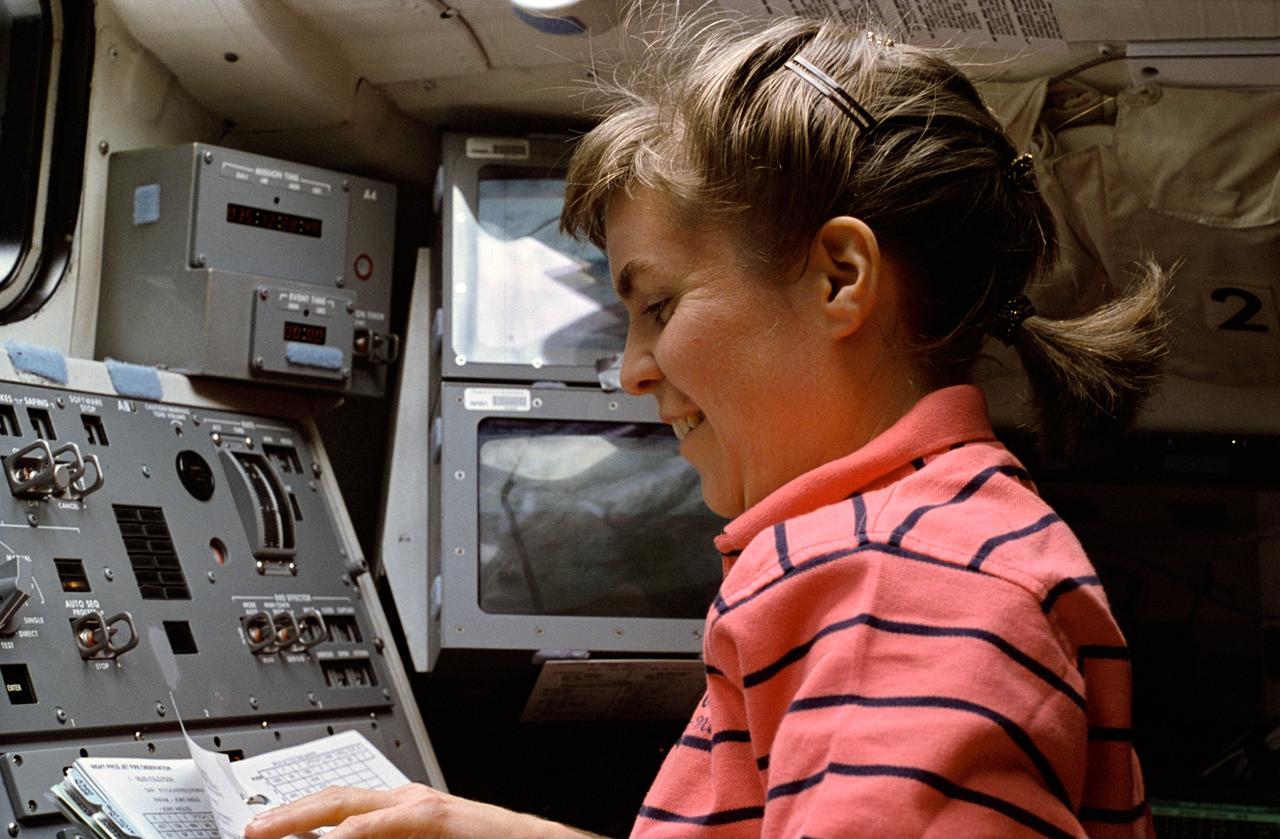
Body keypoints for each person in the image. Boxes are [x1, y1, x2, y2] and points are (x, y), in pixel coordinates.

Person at [245, 12, 1167, 839]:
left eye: (658, 304)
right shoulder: (932, 541)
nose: (633, 369)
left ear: (841, 277)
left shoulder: (899, 580)